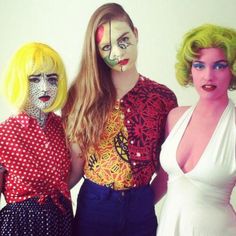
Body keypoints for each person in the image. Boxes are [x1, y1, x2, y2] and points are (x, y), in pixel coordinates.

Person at [62, 3, 177, 236]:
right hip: (95, 207)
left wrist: (140, 202)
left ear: (136, 33)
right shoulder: (81, 95)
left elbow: (167, 169)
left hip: (141, 207)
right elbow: (75, 163)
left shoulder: (162, 98)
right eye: (106, 47)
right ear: (97, 52)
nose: (117, 53)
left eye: (123, 39)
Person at [156, 24, 236, 236]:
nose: (208, 76)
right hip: (168, 228)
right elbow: (164, 180)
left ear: (233, 70)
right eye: (199, 65)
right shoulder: (175, 117)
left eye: (219, 66)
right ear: (189, 70)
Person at [0, 42, 73, 236]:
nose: (45, 87)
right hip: (21, 226)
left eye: (52, 79)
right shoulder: (4, 133)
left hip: (60, 221)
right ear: (20, 81)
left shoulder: (63, 128)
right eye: (34, 79)